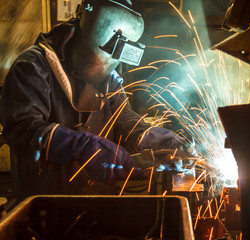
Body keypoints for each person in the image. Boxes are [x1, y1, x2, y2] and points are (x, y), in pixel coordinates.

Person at [0, 0, 193, 202]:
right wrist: (81, 147)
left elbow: (124, 121)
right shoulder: (33, 67)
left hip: (98, 206)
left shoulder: (109, 80)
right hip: (44, 208)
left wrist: (161, 141)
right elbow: (21, 129)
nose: (107, 64)